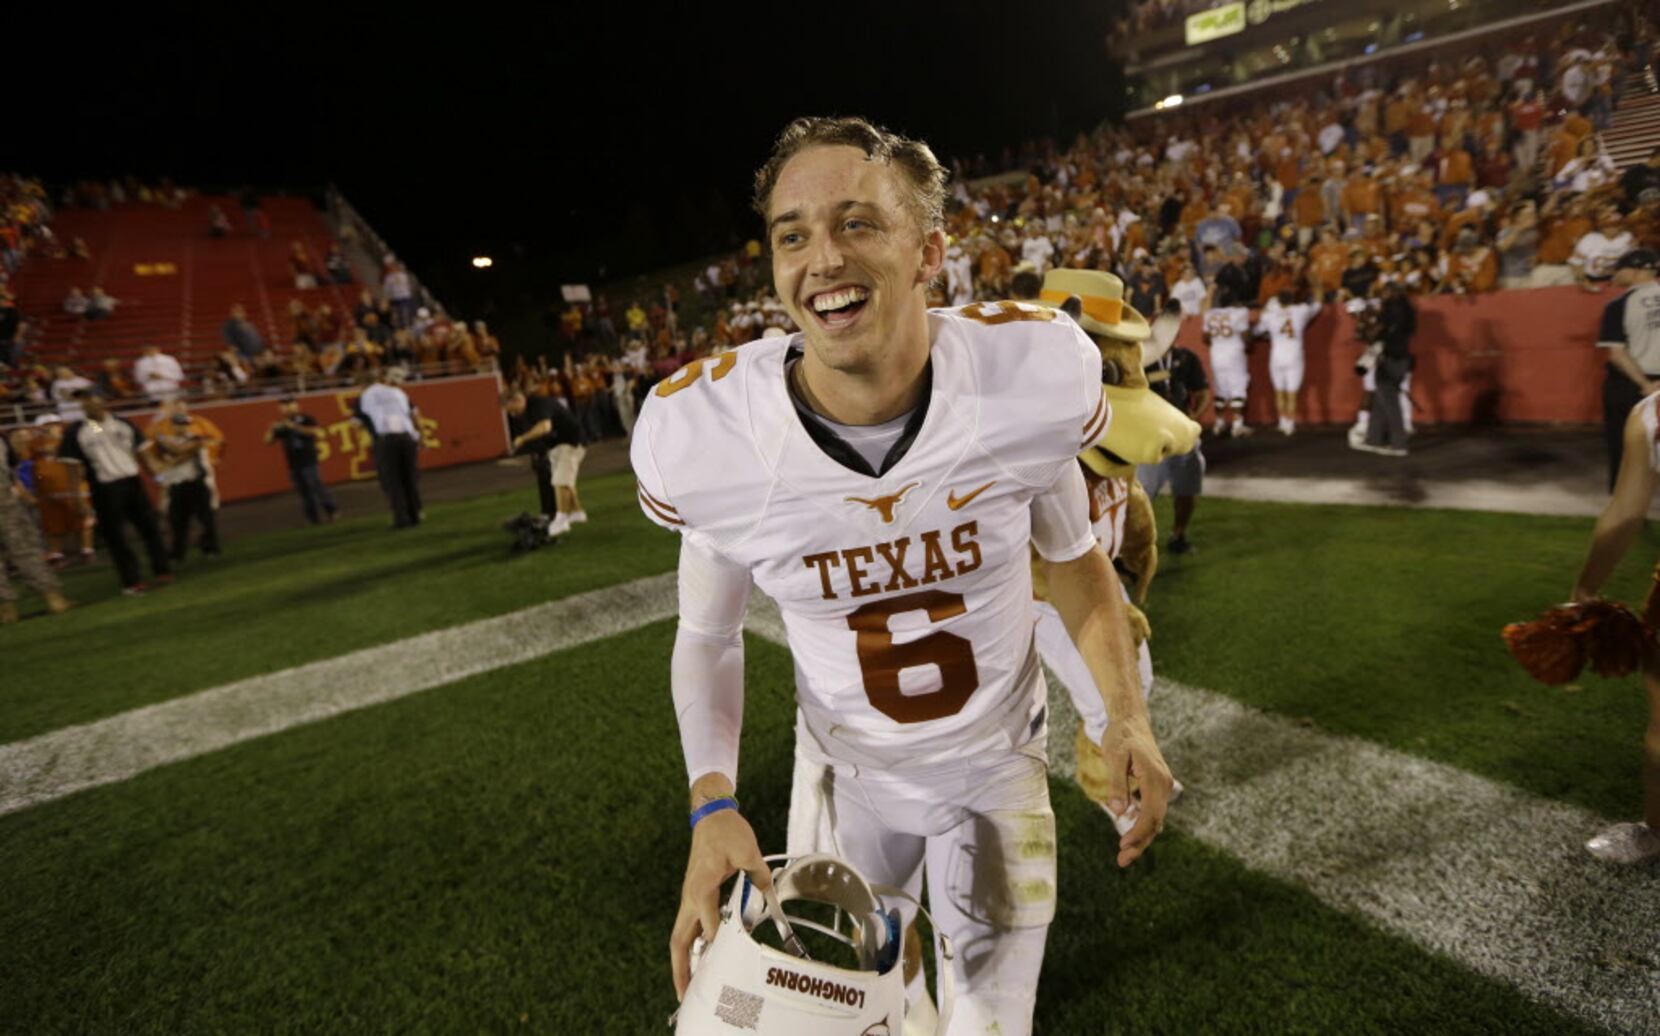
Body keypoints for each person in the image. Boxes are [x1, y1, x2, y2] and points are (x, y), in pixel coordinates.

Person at [632, 117, 1177, 1033]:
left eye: (857, 224)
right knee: (855, 1024)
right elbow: (708, 634)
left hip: (1000, 767)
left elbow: (1075, 560)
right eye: (793, 235)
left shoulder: (1023, 378)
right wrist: (712, 802)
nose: (823, 258)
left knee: (991, 1025)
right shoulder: (711, 437)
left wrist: (1123, 713)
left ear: (929, 251)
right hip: (843, 779)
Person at [1569, 383, 1660, 865]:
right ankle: (1655, 830)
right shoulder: (1648, 414)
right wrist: (1585, 590)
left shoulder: (1651, 412)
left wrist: (1585, 589)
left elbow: (1627, 511)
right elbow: (1626, 510)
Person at [57, 389, 173, 594]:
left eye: (91, 398)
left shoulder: (124, 424)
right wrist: (77, 498)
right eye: (83, 401)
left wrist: (161, 480)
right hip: (104, 487)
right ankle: (131, 581)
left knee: (151, 528)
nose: (87, 404)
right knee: (116, 537)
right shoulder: (76, 432)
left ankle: (162, 570)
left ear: (103, 400)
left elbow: (146, 457)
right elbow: (73, 470)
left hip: (132, 482)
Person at [1139, 299, 1211, 554]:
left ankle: (1178, 535)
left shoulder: (1186, 358)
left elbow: (1202, 391)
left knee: (1188, 490)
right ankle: (1135, 547)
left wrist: (1193, 416)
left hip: (1182, 436)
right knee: (1142, 496)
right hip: (1151, 436)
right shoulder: (1140, 360)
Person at [1596, 250, 1660, 490]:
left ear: (1635, 270)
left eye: (1620, 268)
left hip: (1630, 386)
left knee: (1625, 449)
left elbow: (1617, 354)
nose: (1616, 273)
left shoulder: (1618, 305)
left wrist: (1645, 385)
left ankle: (1625, 510)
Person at [0, 431, 72, 624]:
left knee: (26, 549)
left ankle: (8, 609)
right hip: (5, 502)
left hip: (6, 500)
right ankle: (50, 597)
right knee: (26, 549)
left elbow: (12, 473)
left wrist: (28, 499)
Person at [147, 399, 225, 560]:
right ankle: (177, 553)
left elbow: (179, 451)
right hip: (177, 485)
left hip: (196, 483)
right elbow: (152, 453)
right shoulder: (167, 439)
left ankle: (210, 548)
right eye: (179, 424)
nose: (183, 427)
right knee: (177, 522)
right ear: (173, 425)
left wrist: (165, 450)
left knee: (206, 519)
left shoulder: (195, 438)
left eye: (185, 424)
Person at [504, 387, 585, 537]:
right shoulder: (527, 412)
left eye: (512, 409)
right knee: (564, 481)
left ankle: (561, 520)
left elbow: (544, 427)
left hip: (570, 441)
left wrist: (522, 439)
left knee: (560, 481)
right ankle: (576, 512)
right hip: (556, 445)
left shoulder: (539, 404)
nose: (512, 414)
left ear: (518, 400)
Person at [356, 367, 423, 528]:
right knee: (409, 478)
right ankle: (415, 514)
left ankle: (401, 517)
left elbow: (356, 423)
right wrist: (421, 437)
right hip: (407, 438)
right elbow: (413, 415)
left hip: (386, 440)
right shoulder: (398, 392)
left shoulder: (366, 395)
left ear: (362, 384)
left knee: (392, 481)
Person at [1356, 283, 1418, 456]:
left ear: (1392, 293)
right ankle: (1373, 439)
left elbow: (1376, 333)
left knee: (1390, 403)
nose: (1382, 294)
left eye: (1385, 291)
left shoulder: (1390, 311)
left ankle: (1399, 444)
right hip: (1402, 359)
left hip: (1390, 360)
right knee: (1381, 399)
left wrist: (1363, 324)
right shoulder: (1408, 311)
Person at [1255, 290, 1321, 435]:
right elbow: (1317, 305)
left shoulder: (1270, 315)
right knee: (1292, 393)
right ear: (1292, 300)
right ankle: (1290, 425)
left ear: (1278, 301)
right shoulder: (1300, 310)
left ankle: (1282, 422)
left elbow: (1256, 331)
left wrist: (1266, 311)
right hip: (1294, 355)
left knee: (1279, 391)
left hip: (1277, 356)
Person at [265, 396, 338, 525]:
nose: (286, 408)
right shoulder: (281, 424)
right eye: (283, 405)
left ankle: (331, 511)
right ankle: (313, 518)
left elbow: (315, 432)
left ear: (296, 405)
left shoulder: (305, 418)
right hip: (293, 463)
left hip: (308, 459)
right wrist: (271, 429)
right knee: (304, 492)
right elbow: (268, 441)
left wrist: (293, 426)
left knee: (316, 486)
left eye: (289, 404)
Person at [1203, 285, 1252, 437]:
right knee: (1238, 387)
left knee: (1220, 389)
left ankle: (1219, 423)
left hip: (1217, 353)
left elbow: (1205, 337)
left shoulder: (1210, 314)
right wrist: (1249, 343)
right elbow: (1246, 336)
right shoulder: (1240, 312)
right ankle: (1237, 425)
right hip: (1234, 352)